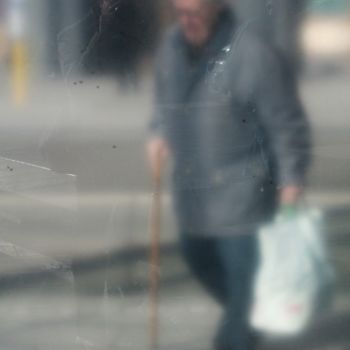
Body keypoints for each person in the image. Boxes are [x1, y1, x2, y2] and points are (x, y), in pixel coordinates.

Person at [147, 0, 311, 349]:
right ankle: (250, 317)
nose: (188, 21)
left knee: (239, 303)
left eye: (196, 12)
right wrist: (158, 132)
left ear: (217, 7)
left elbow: (286, 124)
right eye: (181, 13)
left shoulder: (252, 53)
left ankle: (241, 327)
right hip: (194, 199)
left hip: (244, 200)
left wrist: (291, 180)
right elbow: (163, 101)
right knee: (199, 261)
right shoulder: (171, 48)